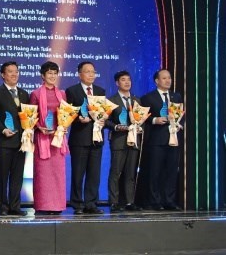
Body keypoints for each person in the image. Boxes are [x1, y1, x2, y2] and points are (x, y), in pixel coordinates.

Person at [0, 61, 30, 216]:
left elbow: (28, 116)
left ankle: (15, 206)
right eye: (10, 71)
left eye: (16, 71)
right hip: (3, 142)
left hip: (21, 142)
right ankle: (3, 206)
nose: (14, 74)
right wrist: (2, 129)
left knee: (17, 176)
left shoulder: (24, 94)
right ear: (3, 75)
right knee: (3, 176)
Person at [65, 61, 106, 215]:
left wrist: (104, 118)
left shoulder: (100, 91)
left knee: (94, 174)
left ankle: (91, 203)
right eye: (87, 71)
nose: (90, 74)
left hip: (96, 138)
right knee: (78, 173)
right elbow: (67, 113)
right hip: (79, 139)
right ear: (79, 74)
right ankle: (77, 204)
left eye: (92, 72)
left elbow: (103, 113)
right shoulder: (72, 91)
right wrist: (78, 119)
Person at [140, 69, 183, 211]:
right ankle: (154, 201)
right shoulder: (148, 98)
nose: (168, 80)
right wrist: (154, 120)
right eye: (164, 78)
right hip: (156, 140)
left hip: (173, 139)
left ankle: (169, 200)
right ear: (156, 81)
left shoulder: (176, 96)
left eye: (169, 78)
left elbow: (182, 115)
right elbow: (141, 118)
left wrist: (180, 125)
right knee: (155, 171)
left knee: (171, 171)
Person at [30, 61, 68, 214]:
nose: (52, 76)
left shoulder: (62, 94)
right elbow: (31, 117)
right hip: (42, 139)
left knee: (58, 173)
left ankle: (57, 206)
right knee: (43, 174)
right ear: (43, 75)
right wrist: (39, 127)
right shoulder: (35, 94)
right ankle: (43, 205)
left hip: (57, 140)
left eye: (55, 73)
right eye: (49, 73)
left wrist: (64, 126)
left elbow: (65, 114)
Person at [106, 70, 142, 212]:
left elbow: (141, 119)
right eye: (123, 80)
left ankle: (129, 202)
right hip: (119, 140)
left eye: (129, 79)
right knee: (115, 172)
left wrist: (140, 128)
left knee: (130, 173)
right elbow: (105, 120)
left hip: (134, 140)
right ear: (117, 83)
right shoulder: (111, 100)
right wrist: (115, 126)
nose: (127, 82)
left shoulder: (136, 100)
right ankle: (114, 202)